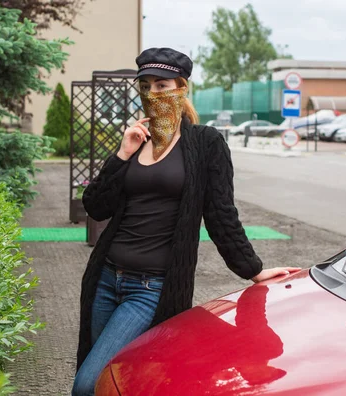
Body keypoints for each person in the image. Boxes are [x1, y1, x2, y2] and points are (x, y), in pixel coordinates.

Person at [71, 47, 300, 396]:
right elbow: (96, 206)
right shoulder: (137, 140)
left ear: (180, 88)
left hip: (149, 290)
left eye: (161, 85)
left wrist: (253, 269)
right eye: (145, 86)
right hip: (104, 279)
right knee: (114, 382)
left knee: (87, 386)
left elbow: (222, 214)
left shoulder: (205, 144)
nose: (152, 94)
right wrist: (121, 155)